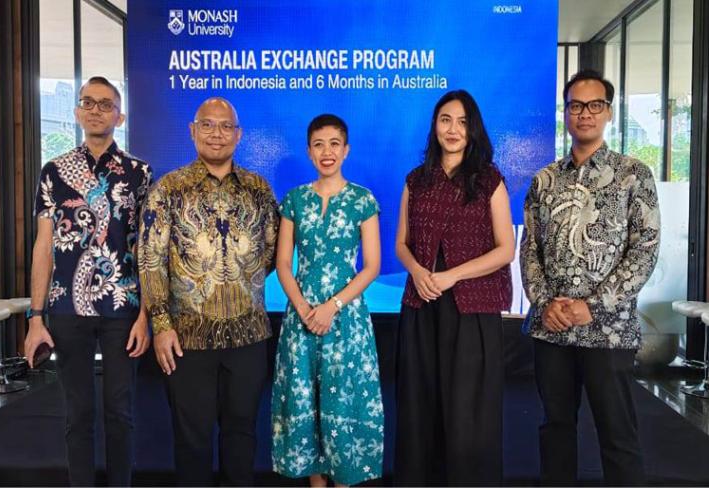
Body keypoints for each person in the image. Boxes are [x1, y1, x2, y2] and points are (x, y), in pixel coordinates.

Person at [520, 69, 660, 485]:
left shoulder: (634, 174)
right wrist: (546, 304)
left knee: (617, 435)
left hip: (608, 331)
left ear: (608, 112)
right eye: (576, 106)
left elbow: (645, 249)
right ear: (566, 113)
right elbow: (530, 250)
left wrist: (592, 306)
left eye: (594, 105)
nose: (585, 114)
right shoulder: (544, 180)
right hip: (553, 331)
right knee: (556, 430)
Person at [138, 97, 279, 486]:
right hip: (186, 338)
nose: (217, 134)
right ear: (193, 130)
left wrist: (236, 284)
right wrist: (161, 325)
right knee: (192, 441)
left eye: (225, 127)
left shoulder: (258, 190)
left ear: (238, 134)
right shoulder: (168, 190)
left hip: (248, 335)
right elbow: (150, 259)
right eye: (208, 125)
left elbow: (271, 251)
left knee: (242, 437)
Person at [24, 76, 153, 486]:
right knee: (77, 413)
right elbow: (43, 247)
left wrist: (145, 315)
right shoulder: (54, 172)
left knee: (120, 413)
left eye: (106, 103)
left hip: (123, 309)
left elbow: (146, 250)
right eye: (88, 102)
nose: (96, 110)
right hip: (66, 310)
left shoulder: (139, 173)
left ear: (120, 114)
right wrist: (35, 317)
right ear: (78, 112)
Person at [394, 89, 515, 485]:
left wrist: (451, 275)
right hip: (422, 306)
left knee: (469, 416)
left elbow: (506, 250)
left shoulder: (489, 180)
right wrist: (415, 270)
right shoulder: (416, 180)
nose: (453, 129)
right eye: (446, 120)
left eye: (463, 122)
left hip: (472, 311)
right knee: (420, 408)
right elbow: (401, 243)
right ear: (435, 126)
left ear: (473, 128)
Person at [271, 114, 384, 487]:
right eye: (319, 144)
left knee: (341, 408)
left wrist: (331, 307)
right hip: (301, 321)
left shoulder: (362, 200)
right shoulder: (294, 201)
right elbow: (283, 264)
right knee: (308, 406)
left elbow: (371, 267)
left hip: (345, 321)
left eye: (334, 143)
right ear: (308, 151)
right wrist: (305, 309)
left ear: (346, 149)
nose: (327, 151)